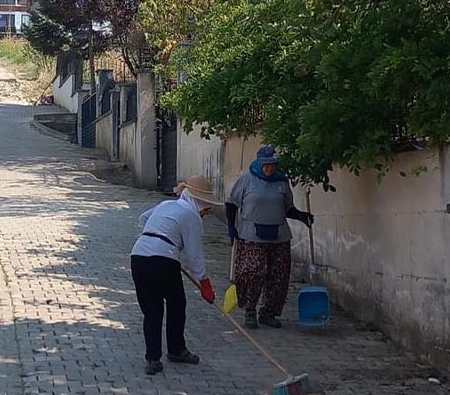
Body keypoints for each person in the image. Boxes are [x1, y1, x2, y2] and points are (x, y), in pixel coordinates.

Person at [130, 176, 219, 375]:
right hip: (164, 261)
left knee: (152, 311)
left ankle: (152, 359)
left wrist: (160, 239)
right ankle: (177, 350)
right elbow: (195, 254)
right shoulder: (191, 216)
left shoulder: (166, 205)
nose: (206, 213)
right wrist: (205, 283)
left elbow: (143, 218)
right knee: (177, 304)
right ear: (200, 203)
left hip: (138, 256)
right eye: (207, 209)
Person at [226, 146, 313, 329]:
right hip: (251, 236)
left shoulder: (282, 182)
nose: (270, 168)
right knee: (253, 271)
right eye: (266, 165)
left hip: (279, 236)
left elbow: (288, 209)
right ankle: (250, 310)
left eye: (273, 165)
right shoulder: (247, 180)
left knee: (278, 275)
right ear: (259, 163)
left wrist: (302, 216)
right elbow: (231, 204)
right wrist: (231, 227)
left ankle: (268, 312)